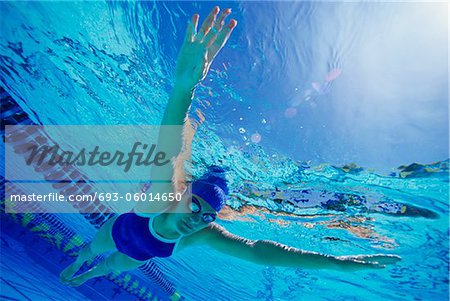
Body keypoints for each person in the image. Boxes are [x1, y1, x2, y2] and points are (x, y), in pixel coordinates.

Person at [60, 5, 401, 295]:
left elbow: (260, 252)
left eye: (207, 216)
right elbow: (168, 145)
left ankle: (85, 273)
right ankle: (78, 260)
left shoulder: (201, 234)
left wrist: (339, 264)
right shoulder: (159, 199)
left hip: (136, 254)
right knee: (92, 248)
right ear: (181, 194)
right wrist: (185, 87)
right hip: (119, 230)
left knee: (105, 266)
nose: (195, 220)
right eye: (195, 205)